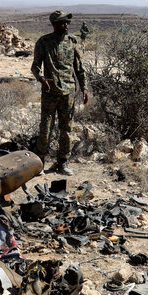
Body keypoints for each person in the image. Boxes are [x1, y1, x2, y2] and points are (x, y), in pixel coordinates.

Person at [31, 11, 89, 176]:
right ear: (54, 24)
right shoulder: (44, 42)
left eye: (67, 23)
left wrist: (84, 88)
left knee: (67, 129)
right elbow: (35, 66)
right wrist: (41, 79)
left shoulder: (73, 42)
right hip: (50, 93)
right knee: (45, 128)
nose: (66, 26)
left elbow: (79, 69)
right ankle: (40, 162)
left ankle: (62, 162)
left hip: (68, 93)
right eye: (62, 22)